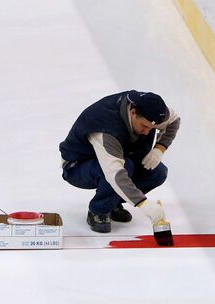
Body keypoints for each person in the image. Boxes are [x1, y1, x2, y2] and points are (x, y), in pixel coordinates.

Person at [59, 91, 181, 233]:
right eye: (144, 126)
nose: (147, 133)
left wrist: (160, 148)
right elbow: (115, 173)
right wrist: (142, 203)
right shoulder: (105, 127)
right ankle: (98, 210)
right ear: (133, 112)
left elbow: (174, 120)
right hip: (78, 166)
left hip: (122, 156)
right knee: (125, 167)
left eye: (152, 128)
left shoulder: (151, 111)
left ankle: (113, 202)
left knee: (158, 173)